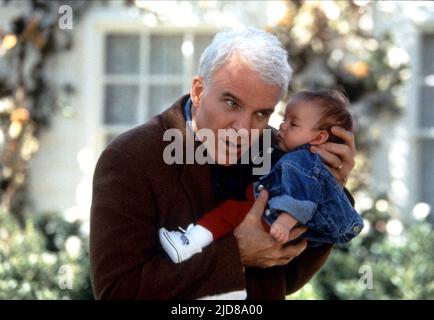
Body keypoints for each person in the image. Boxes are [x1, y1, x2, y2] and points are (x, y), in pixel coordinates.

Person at [90, 27, 357, 300]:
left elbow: (284, 277)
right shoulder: (129, 158)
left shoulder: (278, 152)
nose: (243, 128)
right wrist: (235, 254)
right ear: (198, 91)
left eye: (262, 114)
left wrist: (327, 188)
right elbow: (117, 293)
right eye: (231, 103)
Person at [159, 90, 364, 264]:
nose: (282, 126)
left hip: (273, 218)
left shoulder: (299, 160)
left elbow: (302, 200)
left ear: (319, 137)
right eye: (232, 103)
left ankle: (189, 242)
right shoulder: (284, 153)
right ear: (198, 90)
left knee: (228, 213)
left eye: (293, 124)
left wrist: (286, 221)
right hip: (272, 217)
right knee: (228, 214)